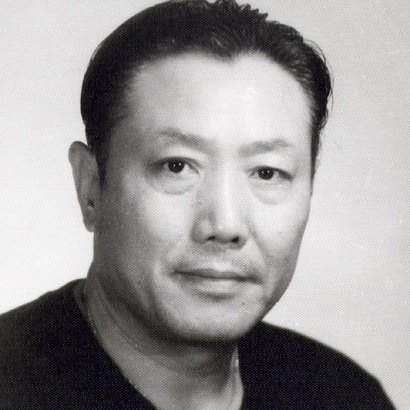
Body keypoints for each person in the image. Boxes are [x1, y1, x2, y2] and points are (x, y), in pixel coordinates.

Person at [0, 0, 395, 408]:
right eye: (177, 166)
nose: (225, 225)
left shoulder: (344, 395)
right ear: (90, 187)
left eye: (267, 172)